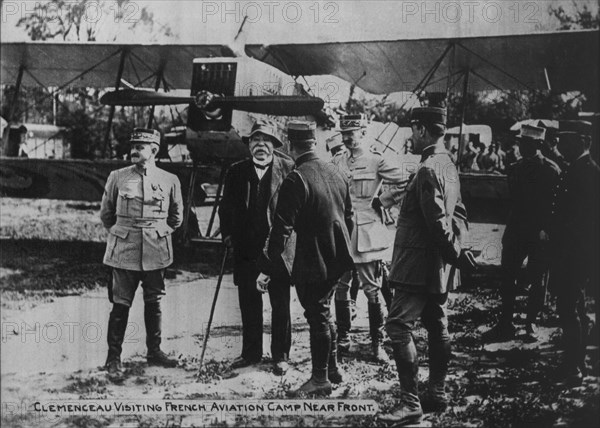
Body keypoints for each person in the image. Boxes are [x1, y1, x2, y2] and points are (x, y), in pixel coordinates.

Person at [378, 107, 476, 426]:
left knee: (397, 326)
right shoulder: (447, 164)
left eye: (412, 129)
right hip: (435, 266)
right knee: (436, 322)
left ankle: (410, 403)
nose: (410, 135)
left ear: (421, 129)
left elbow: (436, 223)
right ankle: (436, 392)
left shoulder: (427, 169)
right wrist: (457, 252)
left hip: (416, 265)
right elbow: (458, 214)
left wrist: (455, 253)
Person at [257, 120, 354, 397]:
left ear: (289, 145)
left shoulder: (296, 178)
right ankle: (333, 369)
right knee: (325, 311)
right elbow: (349, 217)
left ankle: (320, 379)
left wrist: (266, 268)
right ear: (314, 142)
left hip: (314, 259)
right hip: (337, 257)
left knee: (317, 316)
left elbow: (281, 231)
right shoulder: (336, 171)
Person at [100, 128, 183, 381]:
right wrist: (120, 231)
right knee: (120, 304)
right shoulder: (117, 176)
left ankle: (154, 352)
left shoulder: (170, 180)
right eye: (133, 145)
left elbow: (176, 217)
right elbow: (106, 213)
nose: (134, 150)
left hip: (156, 251)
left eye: (140, 146)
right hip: (124, 250)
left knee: (154, 301)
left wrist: (160, 232)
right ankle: (113, 358)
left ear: (154, 150)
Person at [218, 119, 295, 375]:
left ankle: (280, 356)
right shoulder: (236, 171)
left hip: (278, 248)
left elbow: (297, 210)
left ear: (274, 144)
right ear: (249, 144)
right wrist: (228, 236)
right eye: (255, 140)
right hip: (246, 249)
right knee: (249, 302)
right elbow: (225, 207)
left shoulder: (288, 169)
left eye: (266, 140)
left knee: (280, 303)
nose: (260, 145)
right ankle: (250, 353)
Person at [330, 113, 405, 363]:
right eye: (344, 134)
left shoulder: (376, 160)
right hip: (342, 230)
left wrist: (383, 200)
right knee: (341, 286)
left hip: (366, 231)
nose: (348, 138)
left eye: (352, 133)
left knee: (372, 288)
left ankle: (377, 344)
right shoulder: (338, 161)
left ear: (364, 132)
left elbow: (407, 179)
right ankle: (343, 338)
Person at [483, 125, 561, 343]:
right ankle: (505, 323)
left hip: (539, 233)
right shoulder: (514, 168)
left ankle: (531, 323)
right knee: (508, 277)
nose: (522, 147)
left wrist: (547, 229)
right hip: (516, 230)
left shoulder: (551, 170)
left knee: (538, 279)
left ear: (538, 144)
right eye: (520, 142)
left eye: (527, 143)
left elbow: (554, 205)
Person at [550, 127, 599, 387]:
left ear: (583, 141)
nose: (561, 146)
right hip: (569, 253)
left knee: (570, 310)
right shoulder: (576, 168)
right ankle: (575, 364)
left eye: (567, 141)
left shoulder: (588, 171)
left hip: (576, 255)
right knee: (572, 309)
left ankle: (574, 370)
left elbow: (584, 222)